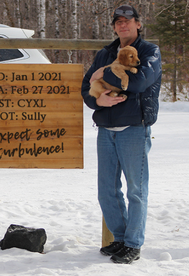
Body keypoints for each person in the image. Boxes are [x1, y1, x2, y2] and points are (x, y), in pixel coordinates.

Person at [81, 5, 162, 264]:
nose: (122, 25)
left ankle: (133, 244)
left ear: (138, 24)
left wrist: (102, 74)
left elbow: (138, 82)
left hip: (133, 129)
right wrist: (98, 102)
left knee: (136, 190)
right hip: (106, 129)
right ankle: (119, 239)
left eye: (128, 21)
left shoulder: (149, 52)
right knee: (107, 190)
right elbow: (86, 87)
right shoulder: (106, 52)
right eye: (118, 21)